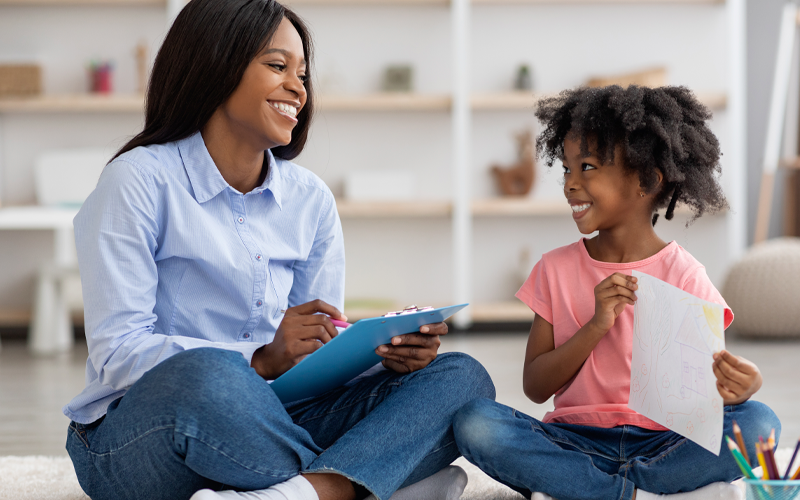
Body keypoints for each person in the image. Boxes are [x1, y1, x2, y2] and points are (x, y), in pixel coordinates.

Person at [63, 1, 495, 499]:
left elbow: (317, 359)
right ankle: (358, 485)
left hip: (274, 419)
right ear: (215, 66)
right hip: (144, 436)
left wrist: (385, 356)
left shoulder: (310, 200)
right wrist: (259, 359)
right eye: (277, 66)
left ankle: (304, 491)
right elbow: (118, 353)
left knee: (462, 378)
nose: (298, 88)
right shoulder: (137, 180)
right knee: (212, 376)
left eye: (303, 74)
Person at [452, 85, 781, 500]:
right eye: (567, 169)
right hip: (573, 442)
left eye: (586, 167)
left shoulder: (685, 274)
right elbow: (535, 386)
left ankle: (589, 490)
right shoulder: (554, 269)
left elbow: (701, 397)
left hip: (663, 446)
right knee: (475, 422)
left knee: (760, 423)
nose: (570, 184)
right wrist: (595, 326)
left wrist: (740, 388)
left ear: (646, 180)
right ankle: (640, 494)